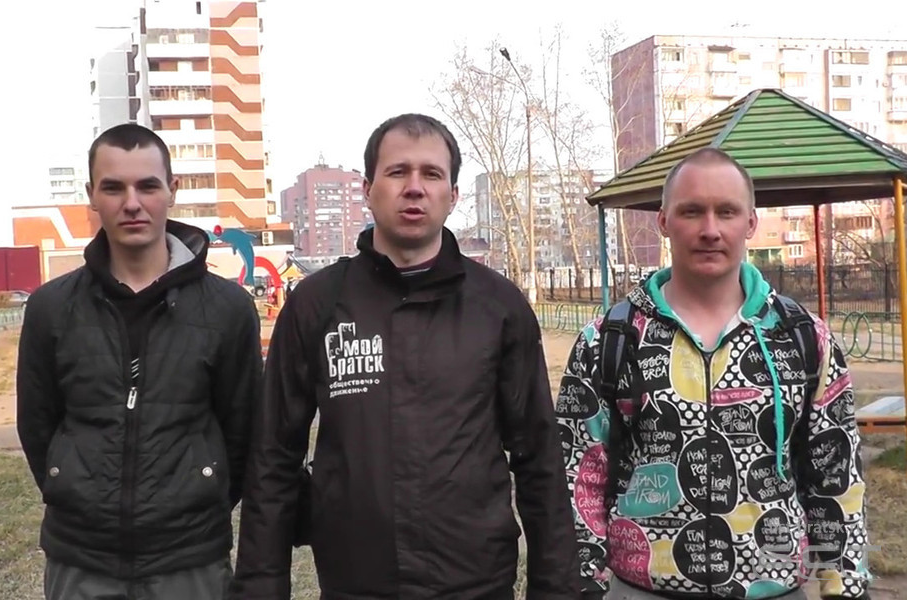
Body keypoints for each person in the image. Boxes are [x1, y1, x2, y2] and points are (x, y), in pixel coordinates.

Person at [232, 113, 579, 599]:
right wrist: (260, 587)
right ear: (368, 189)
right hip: (355, 584)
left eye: (431, 174)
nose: (414, 187)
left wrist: (556, 588)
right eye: (397, 172)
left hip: (475, 583)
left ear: (452, 195)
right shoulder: (316, 304)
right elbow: (273, 458)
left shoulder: (499, 307)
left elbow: (539, 458)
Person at [558, 148, 871, 599]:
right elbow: (579, 475)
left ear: (750, 223)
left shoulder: (804, 338)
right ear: (664, 221)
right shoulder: (608, 340)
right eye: (692, 211)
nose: (710, 229)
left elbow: (835, 476)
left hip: (777, 588)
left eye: (726, 211)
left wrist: (844, 585)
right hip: (640, 589)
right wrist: (585, 585)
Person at [16, 123, 262, 600]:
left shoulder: (228, 309)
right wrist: (74, 489)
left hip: (190, 559)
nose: (132, 203)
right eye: (114, 188)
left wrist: (201, 492)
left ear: (172, 190)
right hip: (80, 559)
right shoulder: (51, 307)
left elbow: (242, 430)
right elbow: (37, 425)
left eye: (147, 186)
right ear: (92, 195)